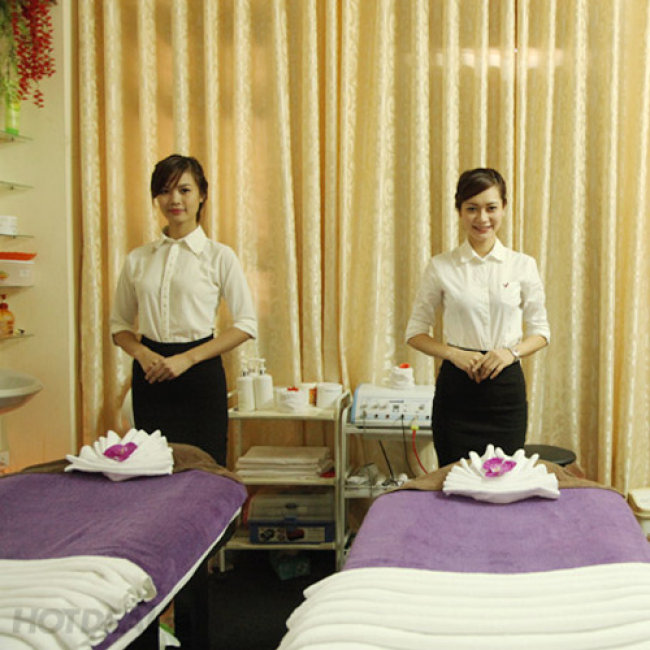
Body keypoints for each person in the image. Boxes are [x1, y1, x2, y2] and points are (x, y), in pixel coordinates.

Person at [110, 153, 257, 649]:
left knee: (198, 500)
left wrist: (187, 359)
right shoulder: (138, 259)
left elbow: (245, 324)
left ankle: (196, 625)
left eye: (185, 189)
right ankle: (153, 622)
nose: (174, 199)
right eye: (166, 190)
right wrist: (144, 354)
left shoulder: (218, 256)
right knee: (151, 500)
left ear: (201, 196)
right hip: (151, 376)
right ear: (157, 197)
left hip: (199, 379)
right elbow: (119, 326)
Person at [405, 168, 550, 468]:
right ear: (459, 211)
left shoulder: (522, 265)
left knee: (504, 481)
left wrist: (510, 353)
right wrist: (453, 353)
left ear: (504, 208)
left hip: (505, 392)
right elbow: (415, 333)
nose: (482, 218)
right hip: (456, 392)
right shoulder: (441, 267)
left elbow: (541, 331)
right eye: (472, 208)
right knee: (453, 479)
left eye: (491, 208)